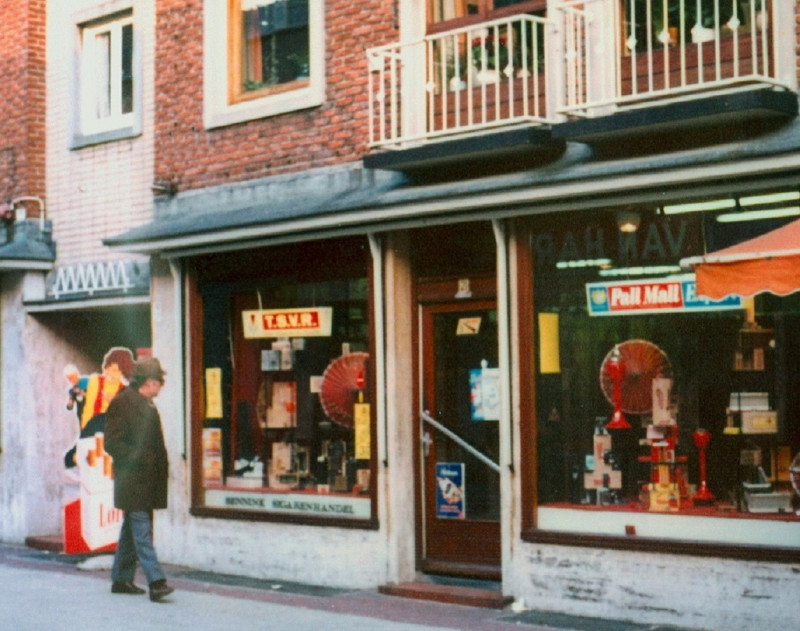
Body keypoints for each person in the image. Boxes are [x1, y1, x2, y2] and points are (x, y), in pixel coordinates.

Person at [104, 357, 174, 603]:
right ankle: (157, 583)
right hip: (132, 480)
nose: (160, 388)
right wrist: (138, 460)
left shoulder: (146, 403)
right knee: (143, 533)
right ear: (151, 382)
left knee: (132, 531)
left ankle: (121, 580)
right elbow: (111, 442)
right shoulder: (123, 403)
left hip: (145, 481)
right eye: (159, 383)